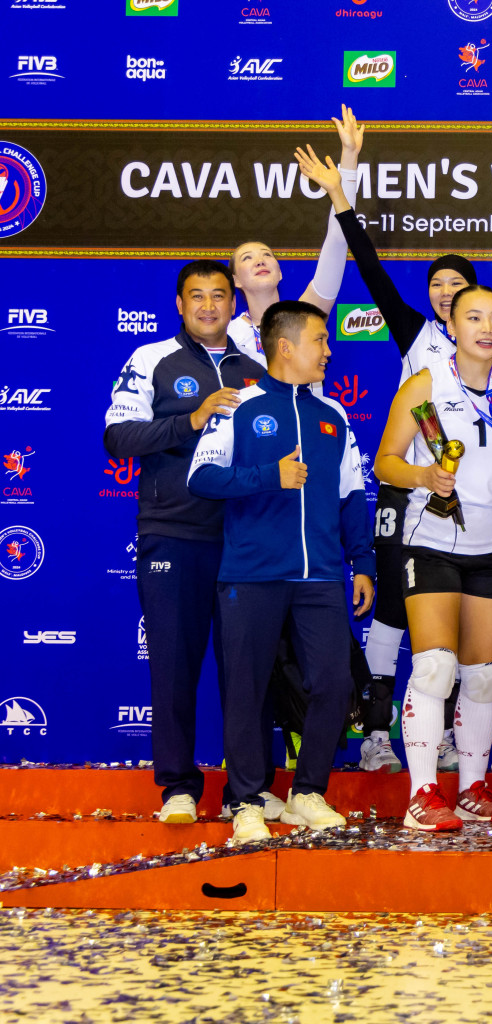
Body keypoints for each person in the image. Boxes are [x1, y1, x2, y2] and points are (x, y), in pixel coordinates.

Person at [297, 145, 492, 774]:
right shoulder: (416, 332)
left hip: (476, 505)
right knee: (392, 603)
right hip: (406, 490)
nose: (446, 294)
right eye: (437, 285)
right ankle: (379, 734)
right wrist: (343, 199)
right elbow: (369, 267)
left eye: (458, 287)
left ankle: (442, 736)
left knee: (468, 633)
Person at [187, 301, 376, 845]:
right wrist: (268, 474)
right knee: (246, 688)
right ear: (286, 346)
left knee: (334, 684)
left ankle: (307, 793)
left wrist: (361, 562)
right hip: (251, 573)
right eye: (320, 339)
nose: (328, 350)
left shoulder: (334, 415)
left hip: (320, 576)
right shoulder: (236, 407)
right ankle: (246, 800)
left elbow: (349, 496)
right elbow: (202, 477)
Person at [372, 285, 492, 831]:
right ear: (452, 325)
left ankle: (472, 787)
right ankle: (423, 794)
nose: (487, 327)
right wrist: (425, 475)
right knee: (434, 666)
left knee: (483, 676)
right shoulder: (425, 384)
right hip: (433, 541)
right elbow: (384, 463)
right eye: (474, 317)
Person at [105, 260, 274, 825]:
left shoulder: (256, 369)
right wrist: (191, 419)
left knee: (246, 671)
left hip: (244, 542)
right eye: (196, 296)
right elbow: (118, 438)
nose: (208, 305)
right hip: (174, 536)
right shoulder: (150, 359)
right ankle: (177, 786)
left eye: (219, 296)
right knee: (174, 668)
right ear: (179, 304)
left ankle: (246, 790)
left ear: (233, 304)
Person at [226, 106, 363, 366]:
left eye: (267, 255)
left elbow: (338, 239)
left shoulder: (304, 316)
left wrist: (349, 157)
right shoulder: (225, 336)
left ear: (280, 272)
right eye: (247, 258)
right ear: (235, 280)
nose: (260, 260)